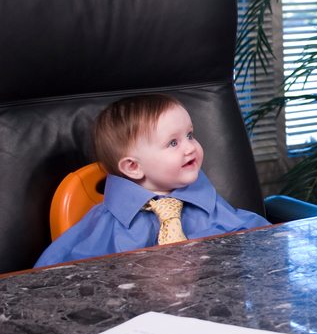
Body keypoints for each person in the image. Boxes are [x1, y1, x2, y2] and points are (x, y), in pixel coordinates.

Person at [35, 94, 270, 267]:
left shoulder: (211, 204)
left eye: (190, 135)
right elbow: (57, 268)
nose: (190, 148)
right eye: (173, 143)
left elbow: (253, 236)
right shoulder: (106, 223)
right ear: (133, 167)